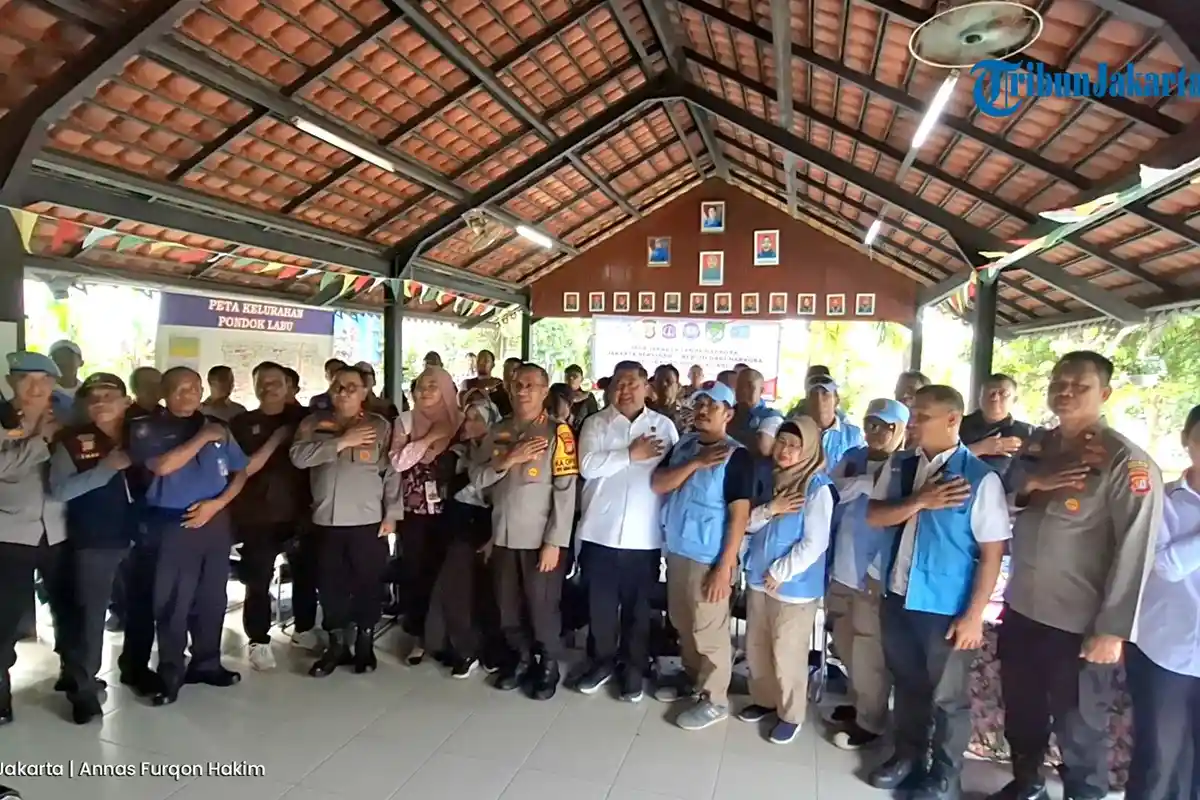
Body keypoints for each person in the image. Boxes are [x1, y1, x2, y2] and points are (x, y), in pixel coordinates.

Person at [993, 351, 1164, 800]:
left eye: (1079, 385)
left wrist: (1112, 630)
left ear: (1104, 394)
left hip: (1078, 626)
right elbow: (1007, 501)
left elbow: (1136, 548)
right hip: (1024, 607)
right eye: (1058, 382)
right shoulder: (1037, 446)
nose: (1064, 391)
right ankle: (1026, 786)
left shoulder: (1127, 463)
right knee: (1023, 715)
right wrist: (1032, 485)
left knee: (1080, 730)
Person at [864, 384, 1009, 798]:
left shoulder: (980, 480)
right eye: (912, 414)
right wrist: (920, 501)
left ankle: (945, 775)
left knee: (948, 698)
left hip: (945, 607)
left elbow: (992, 553)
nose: (913, 423)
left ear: (952, 420)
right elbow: (875, 516)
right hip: (897, 595)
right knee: (907, 683)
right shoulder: (900, 467)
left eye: (923, 416)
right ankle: (908, 756)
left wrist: (973, 615)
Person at [127, 366, 255, 706]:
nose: (189, 394)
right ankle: (171, 671)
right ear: (166, 393)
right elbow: (163, 466)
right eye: (180, 388)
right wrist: (202, 437)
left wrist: (217, 505)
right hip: (171, 524)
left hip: (214, 520)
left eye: (195, 388)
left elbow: (241, 471)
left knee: (212, 597)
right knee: (173, 601)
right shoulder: (146, 427)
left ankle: (207, 663)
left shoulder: (219, 427)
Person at [651, 381, 754, 730]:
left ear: (728, 413)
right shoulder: (686, 446)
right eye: (699, 404)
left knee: (709, 630)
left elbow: (740, 516)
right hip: (679, 550)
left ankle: (714, 698)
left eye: (713, 405)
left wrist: (725, 566)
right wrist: (695, 462)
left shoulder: (737, 456)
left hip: (709, 557)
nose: (703, 410)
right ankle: (693, 679)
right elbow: (659, 484)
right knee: (683, 622)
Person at [574, 360, 678, 702]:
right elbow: (588, 468)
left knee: (638, 610)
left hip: (644, 537)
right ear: (609, 388)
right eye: (619, 383)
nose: (625, 389)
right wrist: (631, 454)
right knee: (599, 607)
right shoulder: (595, 423)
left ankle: (633, 668)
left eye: (633, 382)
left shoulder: (664, 427)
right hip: (598, 534)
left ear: (646, 387)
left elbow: (673, 478)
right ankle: (601, 663)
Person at [475, 364, 578, 700]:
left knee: (541, 606)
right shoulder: (499, 430)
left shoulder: (558, 433)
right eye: (517, 384)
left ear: (545, 391)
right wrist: (507, 459)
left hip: (540, 540)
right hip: (503, 536)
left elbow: (565, 491)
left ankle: (548, 663)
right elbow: (478, 479)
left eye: (530, 385)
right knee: (507, 606)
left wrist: (555, 542)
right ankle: (520, 658)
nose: (522, 390)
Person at [290, 364, 398, 677]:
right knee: (330, 584)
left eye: (352, 385)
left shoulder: (379, 426)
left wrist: (392, 513)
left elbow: (391, 473)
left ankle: (365, 643)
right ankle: (336, 645)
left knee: (368, 582)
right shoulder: (313, 423)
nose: (344, 391)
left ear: (364, 392)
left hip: (367, 520)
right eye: (338, 385)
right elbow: (298, 457)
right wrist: (341, 441)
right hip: (325, 520)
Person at [737, 417, 835, 744]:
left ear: (808, 450)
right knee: (757, 646)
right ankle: (764, 700)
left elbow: (815, 542)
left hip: (793, 586)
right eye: (782, 442)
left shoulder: (817, 488)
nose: (786, 451)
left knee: (787, 652)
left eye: (795, 446)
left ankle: (790, 713)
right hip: (757, 578)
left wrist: (780, 571)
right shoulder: (768, 478)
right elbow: (747, 524)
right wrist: (770, 508)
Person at [47, 373, 138, 723]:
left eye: (108, 394)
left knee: (139, 607)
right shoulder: (71, 440)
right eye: (93, 396)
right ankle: (83, 690)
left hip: (143, 535)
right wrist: (105, 470)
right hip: (94, 539)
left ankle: (137, 669)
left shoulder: (142, 435)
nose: (100, 401)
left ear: (125, 400)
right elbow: (58, 490)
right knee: (89, 618)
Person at [1122, 404, 1200, 800]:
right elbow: (1166, 565)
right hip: (1165, 651)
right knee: (1157, 761)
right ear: (1187, 440)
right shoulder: (1162, 500)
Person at [825, 398, 910, 750]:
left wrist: (858, 485)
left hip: (873, 572)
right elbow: (831, 490)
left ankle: (871, 721)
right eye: (870, 423)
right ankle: (861, 703)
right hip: (841, 565)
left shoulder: (906, 465)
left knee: (868, 649)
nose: (874, 432)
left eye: (883, 426)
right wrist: (861, 482)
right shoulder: (854, 456)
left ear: (900, 430)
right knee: (843, 641)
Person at [0, 352, 71, 727]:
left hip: (59, 529)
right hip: (10, 532)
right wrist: (38, 441)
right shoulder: (3, 418)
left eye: (45, 380)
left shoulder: (68, 417)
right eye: (26, 379)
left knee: (68, 608)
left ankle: (76, 680)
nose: (37, 387)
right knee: (5, 617)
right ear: (11, 381)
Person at [228, 362, 313, 671]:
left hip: (301, 513)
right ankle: (258, 640)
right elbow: (242, 468)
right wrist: (277, 438)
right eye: (261, 382)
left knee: (305, 575)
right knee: (258, 580)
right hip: (257, 516)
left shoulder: (304, 419)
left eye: (275, 381)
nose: (268, 387)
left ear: (288, 386)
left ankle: (304, 629)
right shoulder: (241, 423)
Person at [389, 366, 462, 665]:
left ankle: (449, 637)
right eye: (420, 385)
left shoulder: (461, 422)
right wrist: (429, 438)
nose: (425, 390)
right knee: (418, 574)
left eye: (433, 385)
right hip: (415, 512)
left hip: (455, 511)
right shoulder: (405, 421)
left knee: (451, 575)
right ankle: (420, 637)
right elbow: (397, 463)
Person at [427, 393, 504, 677]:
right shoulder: (460, 450)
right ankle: (462, 647)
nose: (469, 423)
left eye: (477, 419)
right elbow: (449, 483)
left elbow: (492, 490)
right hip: (458, 524)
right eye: (467, 417)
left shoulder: (500, 449)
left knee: (485, 591)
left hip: (487, 525)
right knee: (456, 585)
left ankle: (485, 647)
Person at [960, 373, 1036, 476]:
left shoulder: (1028, 432)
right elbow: (939, 463)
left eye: (1003, 394)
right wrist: (979, 448)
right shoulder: (957, 425)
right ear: (980, 396)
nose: (995, 398)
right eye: (990, 392)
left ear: (1014, 400)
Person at [806, 376, 865, 469]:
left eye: (825, 394)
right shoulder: (799, 433)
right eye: (813, 394)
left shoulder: (854, 436)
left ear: (836, 400)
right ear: (807, 401)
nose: (819, 400)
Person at [730, 368, 783, 458]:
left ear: (761, 391)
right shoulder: (727, 412)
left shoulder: (771, 417)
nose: (744, 390)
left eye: (750, 386)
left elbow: (762, 448)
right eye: (740, 385)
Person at [48, 340, 84, 421]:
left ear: (81, 362)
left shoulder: (88, 391)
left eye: (69, 357)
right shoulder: (42, 392)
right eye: (57, 358)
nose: (63, 362)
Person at [650, 364, 692, 432]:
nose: (664, 384)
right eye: (659, 381)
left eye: (669, 381)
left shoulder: (688, 415)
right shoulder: (646, 413)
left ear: (678, 386)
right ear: (654, 385)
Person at [563, 364, 599, 430]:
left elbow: (595, 419)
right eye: (568, 376)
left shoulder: (588, 397)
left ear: (581, 379)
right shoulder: (558, 396)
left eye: (575, 376)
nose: (571, 378)